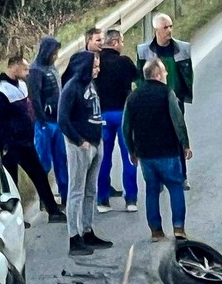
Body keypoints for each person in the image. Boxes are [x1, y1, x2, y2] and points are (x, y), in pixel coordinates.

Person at [0, 56, 67, 223]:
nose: (28, 72)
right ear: (14, 68)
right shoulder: (0, 92)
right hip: (11, 145)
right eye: (24, 69)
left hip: (26, 141)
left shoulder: (22, 85)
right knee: (12, 183)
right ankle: (17, 219)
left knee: (39, 175)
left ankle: (52, 210)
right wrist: (5, 144)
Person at [123, 58, 192, 241]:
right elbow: (178, 120)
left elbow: (126, 127)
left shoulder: (133, 97)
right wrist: (185, 144)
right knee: (175, 187)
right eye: (164, 71)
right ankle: (178, 228)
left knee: (152, 191)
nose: (167, 74)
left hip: (145, 154)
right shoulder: (167, 93)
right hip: (167, 151)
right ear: (157, 74)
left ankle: (156, 231)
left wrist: (132, 150)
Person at [58, 51, 113, 256]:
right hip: (79, 145)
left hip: (96, 142)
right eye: (94, 66)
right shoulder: (71, 87)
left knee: (91, 191)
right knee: (76, 192)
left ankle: (88, 230)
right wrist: (79, 140)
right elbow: (63, 119)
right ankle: (74, 237)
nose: (98, 69)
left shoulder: (91, 84)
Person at [136, 13, 193, 190]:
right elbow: (140, 77)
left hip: (174, 100)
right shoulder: (144, 51)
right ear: (156, 30)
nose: (169, 30)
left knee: (177, 136)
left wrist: (182, 95)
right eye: (165, 27)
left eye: (170, 26)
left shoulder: (182, 48)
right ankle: (158, 178)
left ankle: (181, 176)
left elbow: (188, 74)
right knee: (155, 137)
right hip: (153, 101)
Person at [95, 28, 139, 213]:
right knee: (129, 155)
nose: (122, 45)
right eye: (121, 41)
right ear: (114, 42)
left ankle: (102, 200)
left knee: (103, 159)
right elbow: (137, 78)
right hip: (123, 114)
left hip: (102, 115)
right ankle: (130, 200)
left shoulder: (96, 62)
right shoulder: (124, 62)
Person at [28, 36, 69, 206]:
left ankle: (65, 195)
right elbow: (35, 98)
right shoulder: (36, 70)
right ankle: (45, 200)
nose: (56, 55)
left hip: (57, 121)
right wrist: (42, 120)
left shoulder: (51, 67)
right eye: (54, 52)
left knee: (61, 159)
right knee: (44, 162)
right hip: (44, 123)